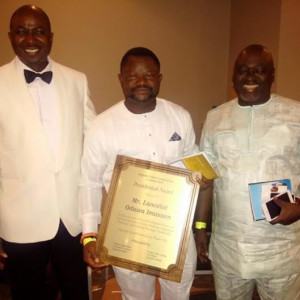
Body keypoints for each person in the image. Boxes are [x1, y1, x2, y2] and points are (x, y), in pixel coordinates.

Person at [80, 47, 199, 300]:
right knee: (135, 297)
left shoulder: (180, 116)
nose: (141, 82)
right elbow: (88, 182)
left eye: (149, 75)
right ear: (121, 79)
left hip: (175, 230)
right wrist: (89, 235)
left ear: (159, 78)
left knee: (179, 295)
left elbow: (191, 158)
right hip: (127, 233)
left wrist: (202, 176)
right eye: (132, 76)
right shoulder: (101, 126)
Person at [0, 5, 95, 300]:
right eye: (21, 31)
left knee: (77, 292)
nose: (30, 38)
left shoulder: (77, 80)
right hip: (20, 219)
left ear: (51, 37)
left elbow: (94, 144)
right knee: (26, 294)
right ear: (10, 36)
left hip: (72, 218)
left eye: (38, 30)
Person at [197, 44, 300, 300]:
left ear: (272, 74)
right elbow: (206, 178)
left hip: (281, 250)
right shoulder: (215, 118)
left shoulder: (296, 114)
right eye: (243, 70)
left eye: (260, 70)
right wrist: (200, 227)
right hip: (229, 249)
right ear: (233, 76)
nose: (250, 77)